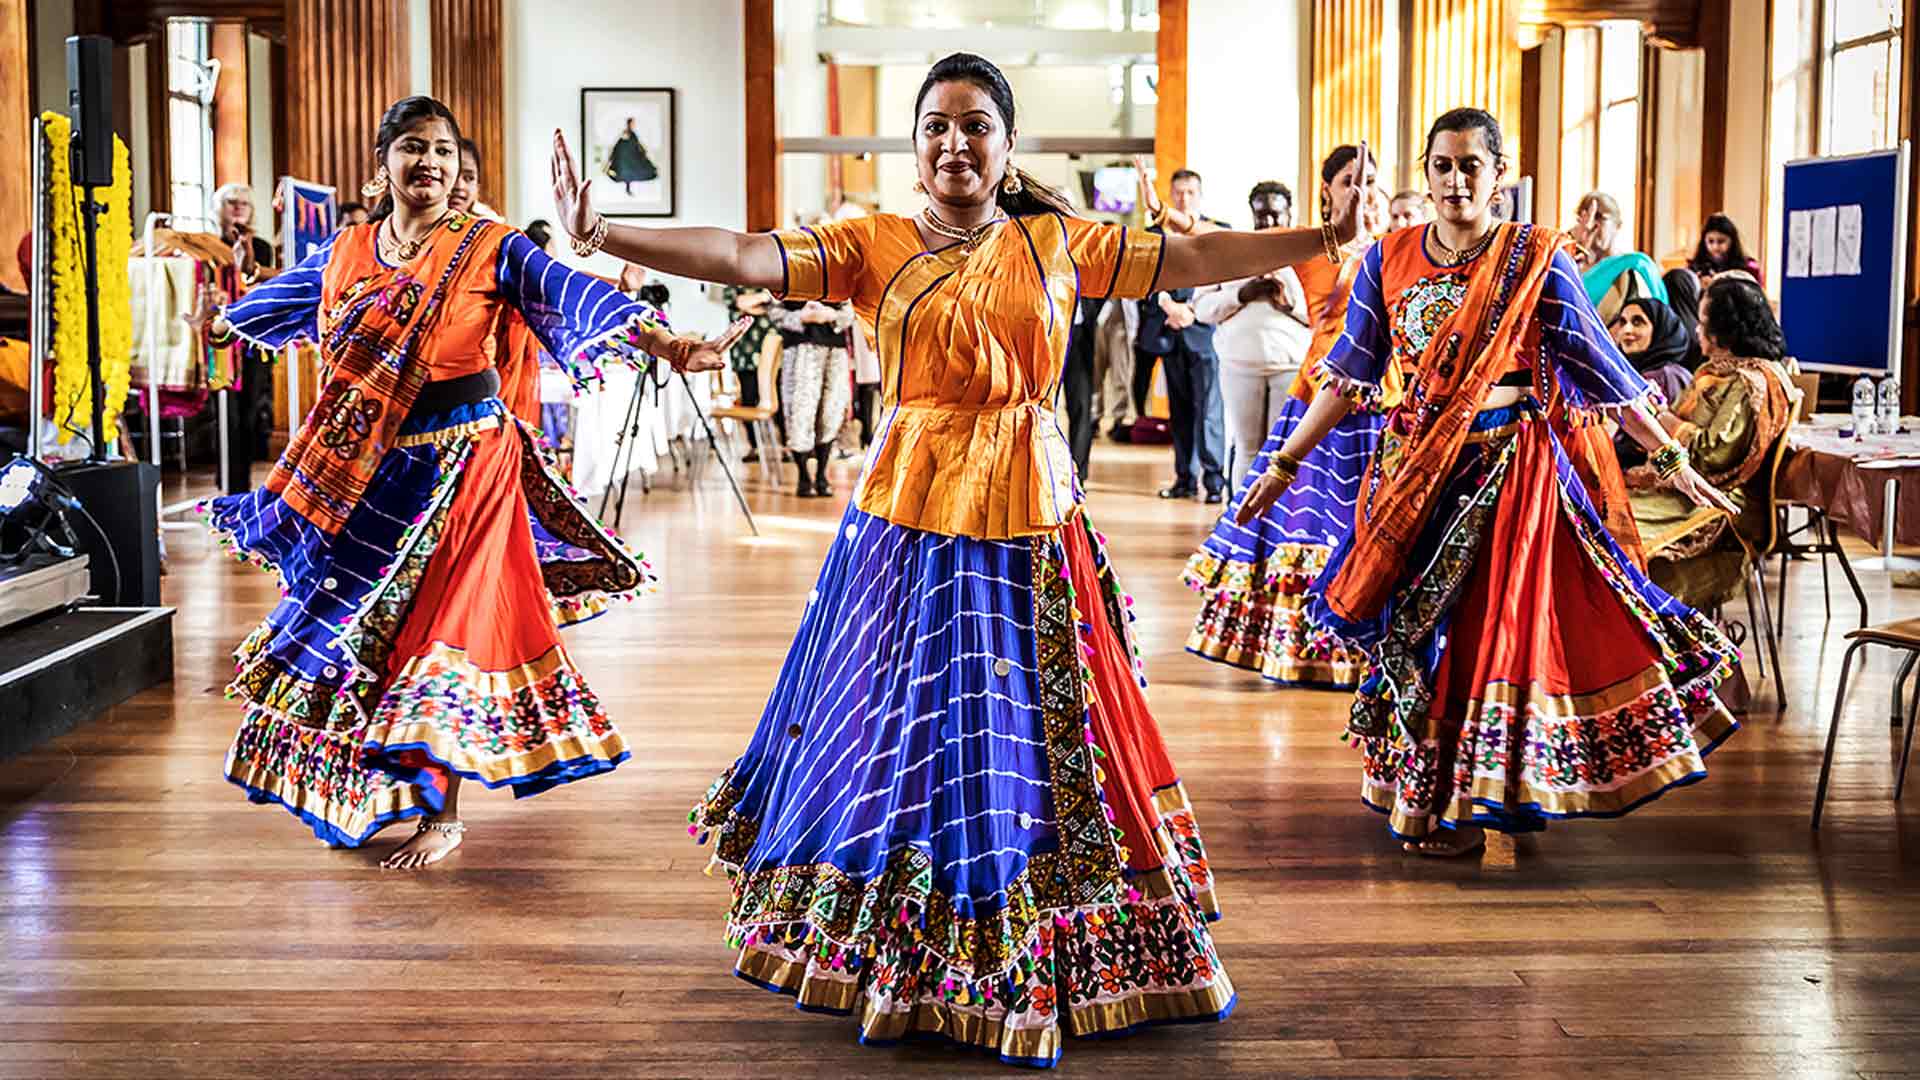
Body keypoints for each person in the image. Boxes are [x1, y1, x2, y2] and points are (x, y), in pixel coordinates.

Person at [554, 51, 1363, 1064]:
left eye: (976, 124)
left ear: (1008, 144)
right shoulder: (870, 244)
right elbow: (744, 254)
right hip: (910, 507)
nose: (954, 143)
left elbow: (1188, 258)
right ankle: (898, 925)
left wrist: (1322, 237)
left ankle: (1045, 915)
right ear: (914, 146)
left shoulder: (1057, 242)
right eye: (936, 125)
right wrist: (604, 232)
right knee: (901, 703)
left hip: (1031, 500)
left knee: (1028, 705)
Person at [191, 96, 743, 870]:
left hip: (471, 462)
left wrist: (669, 343)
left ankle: (442, 816)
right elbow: (282, 301)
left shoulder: (490, 245)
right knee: (359, 631)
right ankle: (383, 792)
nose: (431, 164)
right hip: (373, 468)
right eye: (413, 148)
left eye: (443, 151)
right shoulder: (346, 251)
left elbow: (572, 292)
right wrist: (222, 322)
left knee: (439, 629)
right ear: (380, 165)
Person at [1237, 108, 1738, 859]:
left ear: (1500, 175)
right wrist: (1281, 465)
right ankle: (1427, 796)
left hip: (1510, 470)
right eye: (1442, 165)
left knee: (1485, 637)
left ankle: (1483, 796)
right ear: (1426, 172)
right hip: (1414, 474)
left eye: (1472, 165)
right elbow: (1346, 374)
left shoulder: (1534, 256)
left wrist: (1676, 462)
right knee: (1414, 636)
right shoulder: (1389, 258)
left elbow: (1606, 372)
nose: (1456, 179)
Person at [1183, 145, 1387, 689]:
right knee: (1296, 521)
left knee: (1363, 526)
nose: (1360, 190)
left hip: (1376, 407)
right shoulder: (1305, 248)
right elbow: (1216, 255)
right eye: (1349, 180)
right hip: (1317, 395)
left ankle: (1364, 645)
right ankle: (1294, 642)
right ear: (1327, 190)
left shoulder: (1396, 251)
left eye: (1370, 179)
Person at [1630, 276, 1795, 611]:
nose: (1697, 330)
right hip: (1688, 487)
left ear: (1726, 329)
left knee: (1615, 533)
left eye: (1704, 322)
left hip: (1721, 502)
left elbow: (1713, 453)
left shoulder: (1753, 381)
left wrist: (1666, 423)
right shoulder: (1720, 370)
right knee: (1598, 509)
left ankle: (1661, 639)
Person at [1195, 181, 1311, 477]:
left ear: (1289, 213)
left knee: (1281, 453)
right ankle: (1240, 522)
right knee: (1246, 449)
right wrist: (1241, 295)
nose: (1268, 222)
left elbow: (1325, 314)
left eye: (1275, 214)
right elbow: (1202, 309)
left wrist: (1288, 303)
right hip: (1240, 366)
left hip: (1289, 365)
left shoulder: (1307, 254)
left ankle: (1275, 523)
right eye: (1261, 215)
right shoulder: (1231, 252)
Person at [1135, 167, 1227, 501]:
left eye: (1190, 192)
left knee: (1209, 411)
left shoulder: (1216, 232)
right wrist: (1167, 305)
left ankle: (1214, 481)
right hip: (1170, 333)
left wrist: (1191, 310)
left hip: (1204, 333)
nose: (1184, 198)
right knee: (1181, 411)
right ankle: (1184, 479)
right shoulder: (1154, 234)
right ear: (1170, 196)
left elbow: (1226, 281)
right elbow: (1142, 282)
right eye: (1178, 193)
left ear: (1199, 195)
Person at [211, 182, 280, 491]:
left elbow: (267, 288)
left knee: (251, 410)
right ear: (219, 208)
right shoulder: (208, 245)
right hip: (220, 341)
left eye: (244, 203)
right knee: (225, 412)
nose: (238, 207)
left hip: (253, 342)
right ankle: (228, 480)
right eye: (231, 202)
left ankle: (241, 481)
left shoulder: (262, 247)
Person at [771, 296, 854, 496]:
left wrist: (831, 315)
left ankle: (822, 475)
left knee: (830, 410)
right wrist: (801, 317)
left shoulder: (837, 275)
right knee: (800, 410)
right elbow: (773, 311)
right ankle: (803, 476)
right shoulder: (787, 276)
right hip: (800, 347)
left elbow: (851, 311)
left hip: (835, 347)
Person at [1571, 191, 1665, 322]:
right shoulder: (1571, 265)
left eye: (1599, 217)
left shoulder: (1634, 264)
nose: (1590, 225)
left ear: (1617, 225)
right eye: (1583, 217)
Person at [1608, 296, 1695, 413]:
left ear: (1660, 329)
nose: (1626, 330)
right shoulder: (1674, 372)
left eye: (1637, 322)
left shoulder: (1661, 378)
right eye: (1623, 322)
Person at [1689, 212, 1764, 286]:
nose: (1715, 247)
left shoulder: (1749, 268)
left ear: (1732, 241)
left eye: (1721, 241)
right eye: (1710, 241)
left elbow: (1756, 296)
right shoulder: (1695, 267)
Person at [606, 118, 659, 194]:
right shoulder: (626, 132)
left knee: (634, 171)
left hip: (633, 155)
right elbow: (621, 144)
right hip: (628, 157)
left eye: (633, 124)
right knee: (628, 172)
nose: (633, 125)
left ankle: (628, 188)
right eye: (632, 123)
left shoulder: (633, 133)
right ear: (629, 124)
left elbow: (636, 143)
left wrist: (642, 149)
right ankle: (628, 188)